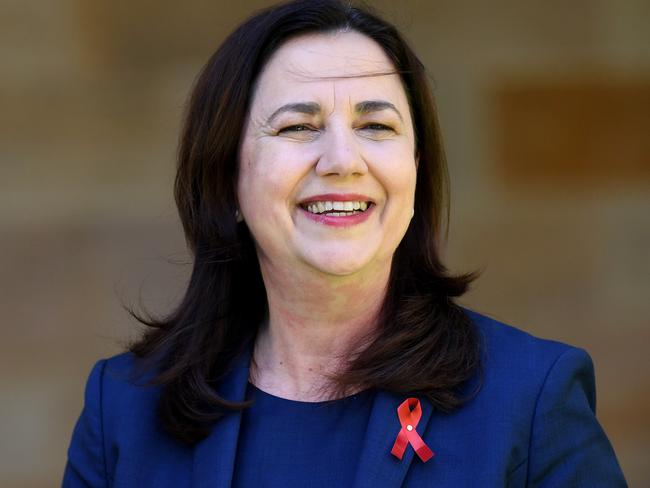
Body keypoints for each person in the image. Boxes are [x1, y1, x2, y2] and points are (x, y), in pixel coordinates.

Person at [62, 0, 626, 486]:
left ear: (414, 171)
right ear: (227, 176)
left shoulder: (529, 397)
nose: (341, 161)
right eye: (297, 127)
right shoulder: (126, 408)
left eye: (375, 126)